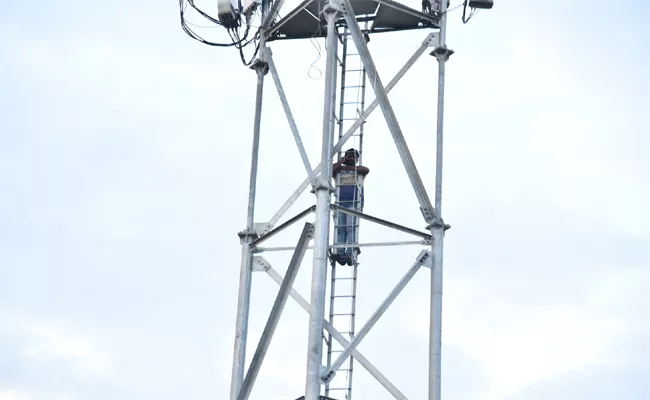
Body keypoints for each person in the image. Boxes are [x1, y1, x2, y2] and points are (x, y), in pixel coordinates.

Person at [331, 148, 370, 266]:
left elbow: (366, 169)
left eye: (354, 157)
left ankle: (351, 251)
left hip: (353, 203)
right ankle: (341, 252)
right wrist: (342, 162)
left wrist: (343, 166)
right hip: (340, 204)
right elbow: (331, 170)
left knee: (351, 227)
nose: (352, 158)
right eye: (350, 156)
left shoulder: (358, 171)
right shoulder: (338, 172)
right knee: (341, 229)